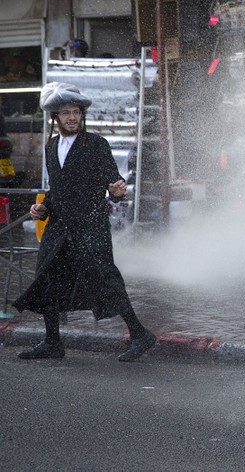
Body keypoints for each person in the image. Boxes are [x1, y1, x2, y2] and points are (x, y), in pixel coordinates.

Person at [14, 82, 157, 362]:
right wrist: (42, 208)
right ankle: (52, 342)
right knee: (47, 277)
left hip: (91, 225)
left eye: (76, 112)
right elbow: (58, 188)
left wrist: (116, 191)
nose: (72, 117)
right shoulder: (51, 145)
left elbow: (112, 182)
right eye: (66, 112)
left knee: (106, 278)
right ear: (55, 117)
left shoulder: (96, 144)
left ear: (82, 115)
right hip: (59, 226)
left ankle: (140, 334)